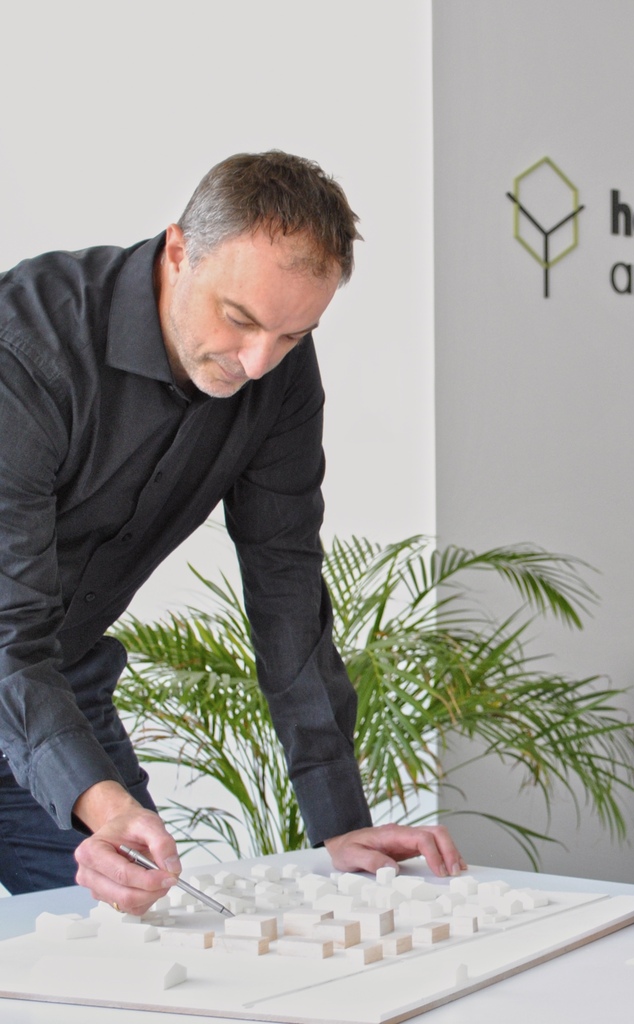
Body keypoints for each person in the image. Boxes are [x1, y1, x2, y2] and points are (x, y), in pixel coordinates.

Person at [0, 150, 464, 913]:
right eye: (240, 320)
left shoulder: (278, 374)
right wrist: (101, 801)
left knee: (139, 929)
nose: (256, 362)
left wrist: (341, 826)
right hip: (18, 661)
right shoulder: (26, 349)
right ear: (179, 251)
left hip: (56, 688)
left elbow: (286, 589)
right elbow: (7, 629)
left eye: (291, 336)